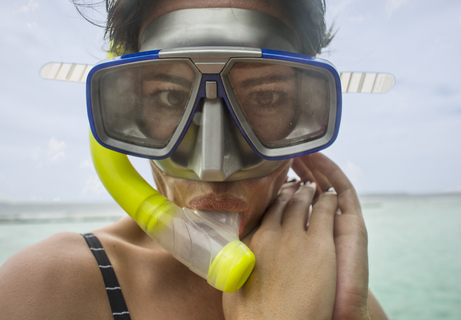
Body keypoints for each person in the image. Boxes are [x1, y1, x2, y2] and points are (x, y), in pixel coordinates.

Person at [0, 0, 389, 319]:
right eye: (170, 97)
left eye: (266, 97)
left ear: (305, 113)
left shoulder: (342, 299)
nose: (212, 168)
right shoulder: (48, 291)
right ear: (127, 112)